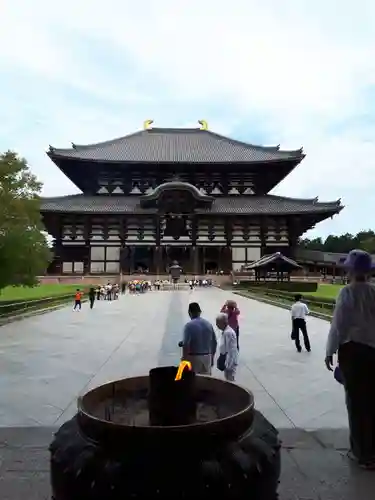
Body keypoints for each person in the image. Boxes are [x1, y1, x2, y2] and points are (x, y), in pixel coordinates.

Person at [325, 249, 375, 469]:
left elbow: (339, 325)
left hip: (353, 352)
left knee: (356, 403)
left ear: (351, 270)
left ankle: (361, 453)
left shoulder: (348, 292)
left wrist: (329, 350)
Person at [180, 302, 217, 375]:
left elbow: (186, 345)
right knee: (206, 381)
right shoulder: (208, 324)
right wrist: (212, 357)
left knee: (193, 382)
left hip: (194, 358)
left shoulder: (189, 326)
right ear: (200, 312)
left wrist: (184, 359)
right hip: (207, 357)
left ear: (189, 313)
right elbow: (214, 342)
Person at [216, 312, 239, 382]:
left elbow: (231, 350)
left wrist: (228, 365)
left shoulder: (228, 333)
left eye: (218, 323)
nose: (216, 325)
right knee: (228, 379)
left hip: (230, 362)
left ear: (223, 323)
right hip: (227, 360)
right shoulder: (226, 332)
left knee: (230, 380)